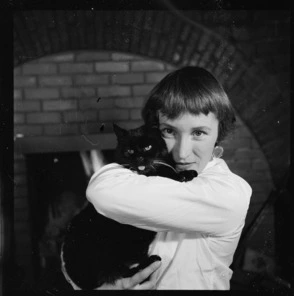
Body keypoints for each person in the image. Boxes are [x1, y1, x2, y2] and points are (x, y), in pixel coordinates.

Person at [85, 66, 252, 290]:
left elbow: (101, 190)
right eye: (169, 131)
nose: (182, 153)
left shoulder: (230, 192)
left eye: (198, 133)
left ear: (218, 133)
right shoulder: (159, 173)